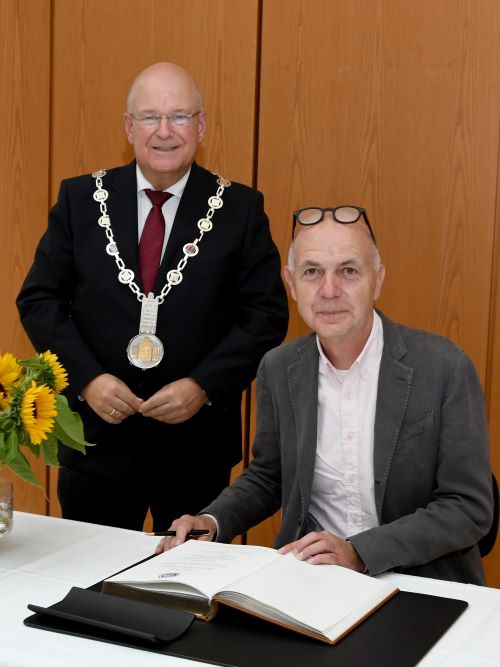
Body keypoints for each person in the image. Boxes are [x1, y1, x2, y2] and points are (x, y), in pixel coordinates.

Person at [16, 62, 288, 531]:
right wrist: (87, 380)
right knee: (90, 592)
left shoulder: (241, 208)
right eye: (150, 117)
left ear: (201, 126)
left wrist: (202, 387)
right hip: (94, 443)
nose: (165, 132)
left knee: (188, 596)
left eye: (180, 116)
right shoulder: (81, 199)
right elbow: (39, 299)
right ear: (129, 127)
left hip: (196, 449)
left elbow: (265, 315)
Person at [158, 206, 493, 585]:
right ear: (291, 282)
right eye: (312, 272)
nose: (329, 291)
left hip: (419, 582)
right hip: (310, 579)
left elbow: (469, 507)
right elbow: (269, 477)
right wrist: (211, 520)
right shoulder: (278, 367)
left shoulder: (444, 367)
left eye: (349, 271)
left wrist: (359, 552)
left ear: (378, 280)